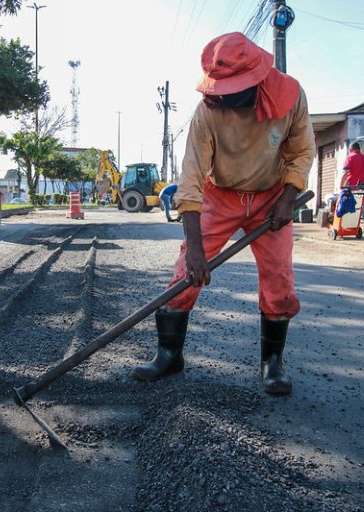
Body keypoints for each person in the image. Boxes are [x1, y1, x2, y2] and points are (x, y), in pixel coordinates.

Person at [130, 32, 315, 396]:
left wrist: (287, 197)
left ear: (258, 80)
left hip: (272, 195)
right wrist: (196, 249)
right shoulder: (207, 112)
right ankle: (169, 354)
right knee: (186, 271)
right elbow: (192, 180)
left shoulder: (291, 95)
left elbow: (302, 151)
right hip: (221, 194)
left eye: (235, 89)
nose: (224, 97)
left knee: (279, 278)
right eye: (221, 90)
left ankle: (272, 363)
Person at [340, 142, 364, 233]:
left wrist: (341, 185)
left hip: (351, 185)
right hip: (362, 185)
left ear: (351, 149)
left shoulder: (350, 157)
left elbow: (345, 173)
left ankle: (346, 225)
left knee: (346, 204)